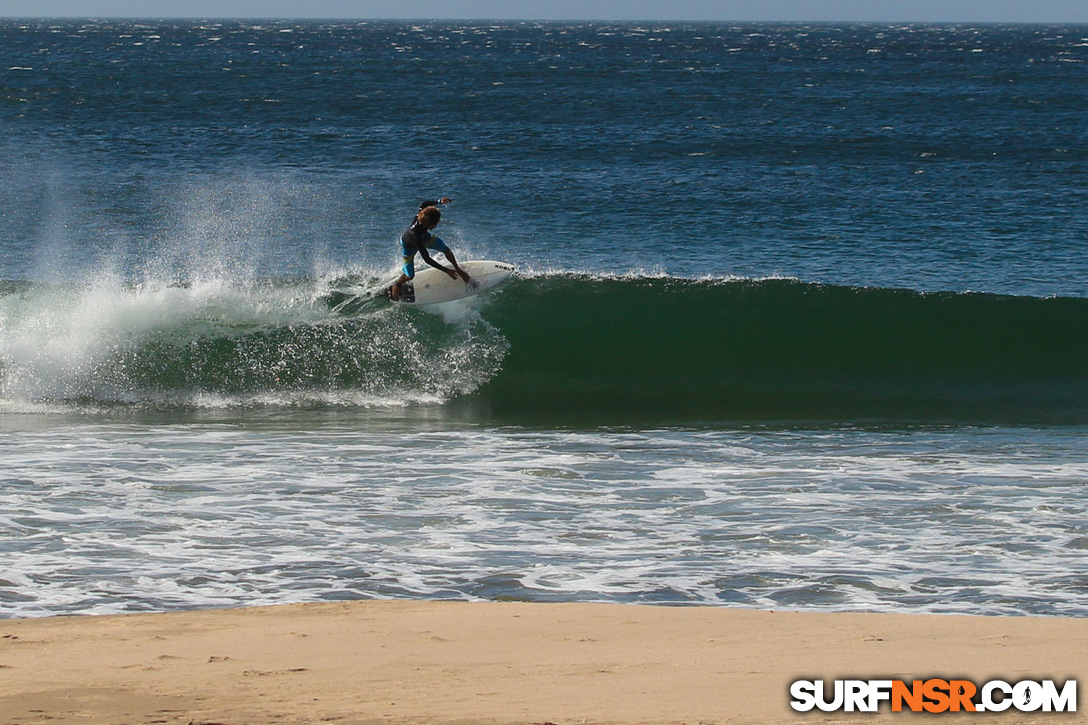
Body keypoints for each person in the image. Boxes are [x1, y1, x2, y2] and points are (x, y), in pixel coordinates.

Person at [389, 198, 471, 301]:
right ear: (428, 224)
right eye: (435, 224)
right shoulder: (414, 234)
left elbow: (424, 203)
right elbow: (426, 259)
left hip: (425, 238)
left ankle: (458, 269)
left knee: (447, 250)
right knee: (410, 276)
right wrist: (446, 271)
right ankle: (397, 284)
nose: (437, 225)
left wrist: (439, 201)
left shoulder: (423, 214)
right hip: (409, 246)